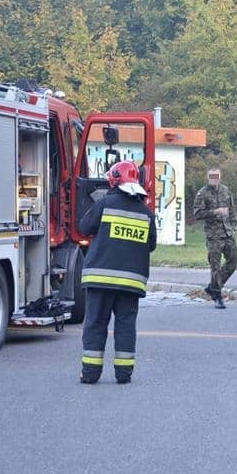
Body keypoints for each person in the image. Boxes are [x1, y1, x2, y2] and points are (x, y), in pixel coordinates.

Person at [78, 160, 156, 384]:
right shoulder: (146, 213)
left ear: (114, 179)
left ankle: (91, 374)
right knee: (125, 326)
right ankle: (124, 374)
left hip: (100, 279)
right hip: (131, 283)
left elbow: (84, 228)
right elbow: (151, 245)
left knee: (95, 324)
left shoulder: (104, 204)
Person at [193, 168, 237, 309]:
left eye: (216, 176)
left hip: (228, 233)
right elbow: (197, 213)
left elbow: (232, 211)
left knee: (233, 261)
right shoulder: (203, 193)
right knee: (215, 266)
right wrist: (214, 212)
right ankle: (217, 296)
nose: (214, 179)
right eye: (212, 176)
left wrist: (233, 227)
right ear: (208, 177)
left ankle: (213, 286)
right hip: (213, 236)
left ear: (220, 176)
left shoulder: (225, 190)